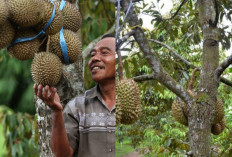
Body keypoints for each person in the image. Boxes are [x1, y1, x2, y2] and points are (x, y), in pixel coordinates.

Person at [34, 34, 116, 157]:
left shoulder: (137, 104)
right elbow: (63, 155)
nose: (94, 58)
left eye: (104, 53)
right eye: (92, 54)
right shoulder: (77, 107)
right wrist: (56, 111)